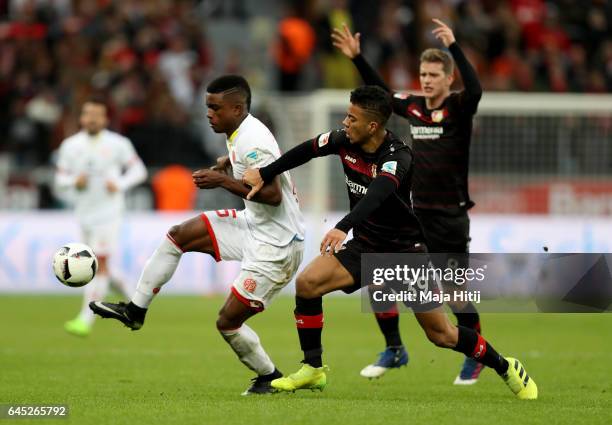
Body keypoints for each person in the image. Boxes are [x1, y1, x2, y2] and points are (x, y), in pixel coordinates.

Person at [242, 85, 537, 400]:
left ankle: (506, 366)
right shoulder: (344, 141)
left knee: (442, 334)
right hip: (366, 246)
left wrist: (343, 226)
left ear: (372, 126)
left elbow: (379, 193)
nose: (344, 123)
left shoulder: (398, 155)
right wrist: (264, 172)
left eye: (352, 118)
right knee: (308, 284)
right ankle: (313, 369)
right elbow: (307, 149)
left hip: (403, 253)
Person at [90, 75, 305, 396]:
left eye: (215, 108)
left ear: (237, 108)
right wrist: (226, 165)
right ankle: (135, 311)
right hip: (254, 225)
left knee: (227, 322)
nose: (209, 114)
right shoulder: (239, 132)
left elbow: (272, 194)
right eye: (207, 107)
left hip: (277, 245)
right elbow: (252, 170)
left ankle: (268, 377)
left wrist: (222, 182)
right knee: (179, 235)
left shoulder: (252, 140)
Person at [332, 19, 485, 384]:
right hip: (414, 218)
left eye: (435, 74)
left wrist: (454, 47)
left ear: (449, 79)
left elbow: (476, 90)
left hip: (449, 215)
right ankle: (395, 348)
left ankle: (475, 353)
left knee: (454, 292)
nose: (427, 80)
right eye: (423, 73)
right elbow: (382, 97)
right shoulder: (414, 108)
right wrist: (358, 59)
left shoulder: (459, 107)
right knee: (382, 279)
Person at [55, 98, 148, 337]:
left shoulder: (118, 144)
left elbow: (139, 171)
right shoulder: (70, 145)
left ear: (105, 119)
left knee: (99, 263)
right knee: (101, 266)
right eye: (88, 114)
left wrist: (120, 183)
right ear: (82, 118)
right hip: (84, 213)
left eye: (97, 115)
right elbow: (60, 179)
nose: (92, 119)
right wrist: (73, 181)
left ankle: (85, 319)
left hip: (109, 213)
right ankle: (135, 302)